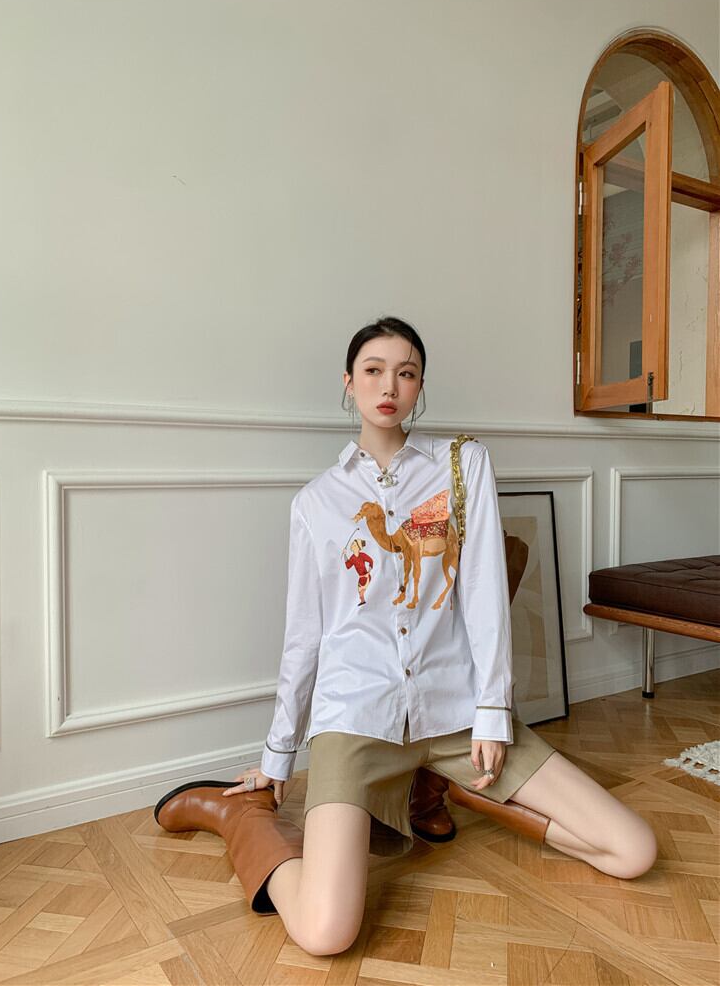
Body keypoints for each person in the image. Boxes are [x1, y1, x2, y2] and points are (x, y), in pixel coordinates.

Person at [154, 316, 658, 957]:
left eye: (406, 372)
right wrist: (278, 756)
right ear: (348, 382)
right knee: (326, 933)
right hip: (356, 719)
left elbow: (483, 596)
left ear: (420, 386)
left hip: (455, 713)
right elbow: (305, 636)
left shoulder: (461, 465)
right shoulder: (315, 503)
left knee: (633, 850)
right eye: (373, 370)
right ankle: (240, 820)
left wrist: (493, 710)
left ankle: (450, 788)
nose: (389, 385)